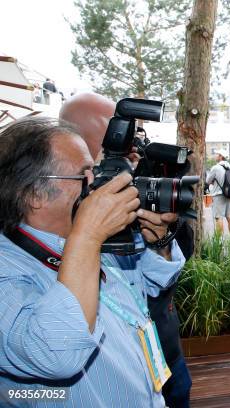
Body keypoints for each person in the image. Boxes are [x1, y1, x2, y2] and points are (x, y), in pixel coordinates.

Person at [0, 117, 186, 407]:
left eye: (95, 172)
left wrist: (158, 242)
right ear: (34, 194)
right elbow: (56, 353)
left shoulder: (86, 234)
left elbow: (152, 280)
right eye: (84, 176)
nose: (97, 185)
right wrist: (87, 236)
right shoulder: (8, 266)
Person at [60, 93, 194, 407]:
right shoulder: (51, 228)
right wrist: (88, 231)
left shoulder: (139, 182)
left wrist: (161, 240)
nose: (132, 146)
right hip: (115, 381)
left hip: (163, 356)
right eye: (120, 138)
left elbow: (163, 274)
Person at [206, 149, 230, 234]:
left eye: (217, 154)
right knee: (229, 216)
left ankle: (219, 242)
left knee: (218, 217)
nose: (215, 156)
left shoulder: (216, 168)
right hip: (228, 195)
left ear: (220, 156)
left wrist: (214, 181)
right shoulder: (229, 167)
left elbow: (208, 181)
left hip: (218, 195)